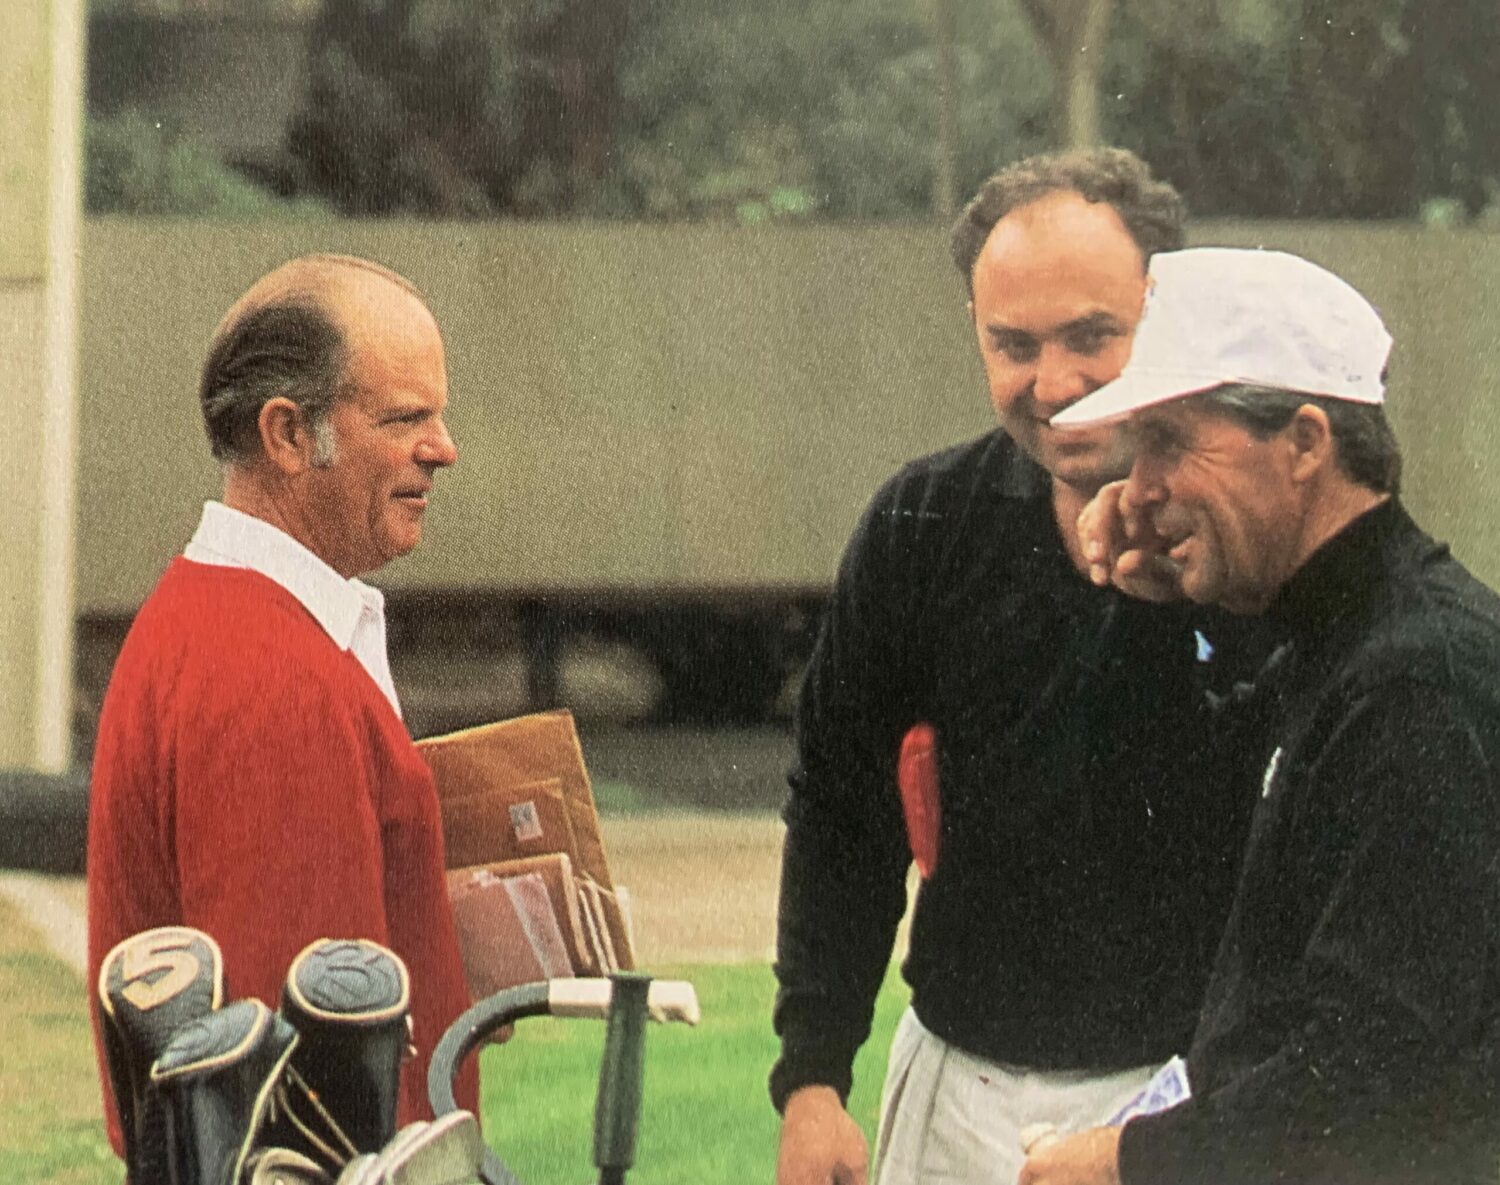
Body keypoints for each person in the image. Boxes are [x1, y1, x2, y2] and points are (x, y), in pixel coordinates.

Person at [771, 150, 1267, 1185]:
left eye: (1093, 336)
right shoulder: (923, 524)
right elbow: (840, 809)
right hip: (956, 1090)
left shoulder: (1261, 539)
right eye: (1014, 344)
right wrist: (814, 1079)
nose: (1056, 385)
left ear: (1165, 314)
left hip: (1180, 1103)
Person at [1023, 247, 1500, 1185]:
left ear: (1306, 441)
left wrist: (1125, 1159)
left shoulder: (1416, 679)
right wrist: (1151, 610)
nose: (1138, 483)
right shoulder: (1342, 646)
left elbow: (1378, 1064)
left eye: (1171, 439)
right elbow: (1152, 856)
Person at [86, 253, 478, 1161]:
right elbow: (301, 1111)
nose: (443, 446)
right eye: (405, 417)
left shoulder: (228, 623)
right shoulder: (272, 681)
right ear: (289, 435)